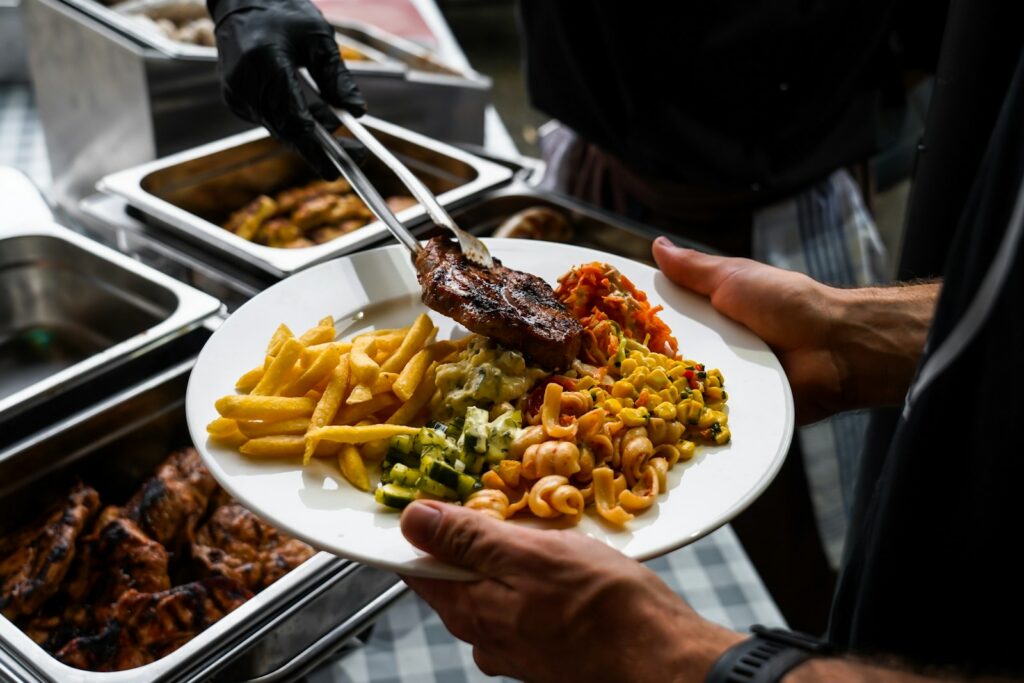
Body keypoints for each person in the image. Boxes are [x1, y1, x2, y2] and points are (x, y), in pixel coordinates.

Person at [209, 0, 1024, 678]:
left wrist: (675, 655)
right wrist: (854, 337)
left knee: (811, 568)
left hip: (783, 195)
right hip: (600, 172)